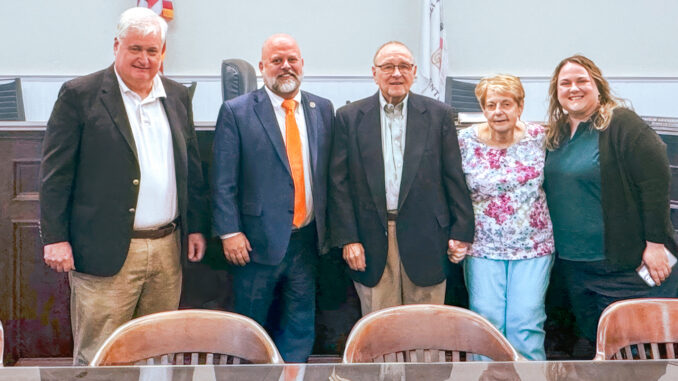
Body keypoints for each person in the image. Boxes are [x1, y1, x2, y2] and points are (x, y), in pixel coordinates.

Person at [39, 7, 209, 365]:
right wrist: (55, 237)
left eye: (152, 51)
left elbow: (190, 169)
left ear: (163, 54)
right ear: (116, 46)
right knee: (99, 355)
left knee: (158, 351)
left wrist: (197, 229)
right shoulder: (79, 95)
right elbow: (56, 174)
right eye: (135, 49)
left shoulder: (177, 96)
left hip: (166, 248)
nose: (144, 59)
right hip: (103, 252)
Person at [543, 55, 678, 354]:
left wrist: (655, 243)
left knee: (637, 349)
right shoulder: (556, 133)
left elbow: (655, 182)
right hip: (574, 268)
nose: (573, 88)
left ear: (598, 86)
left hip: (623, 266)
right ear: (556, 92)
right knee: (597, 346)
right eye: (565, 83)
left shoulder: (621, 124)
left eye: (582, 81)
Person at [212, 34, 334, 362]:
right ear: (262, 66)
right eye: (277, 61)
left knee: (299, 326)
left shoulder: (321, 108)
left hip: (306, 241)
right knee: (251, 329)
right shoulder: (237, 112)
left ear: (302, 65)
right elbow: (223, 180)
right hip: (254, 243)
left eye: (292, 59)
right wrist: (229, 232)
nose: (285, 67)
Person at [329, 41, 474, 316]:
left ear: (414, 71)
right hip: (371, 242)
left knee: (425, 331)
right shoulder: (349, 118)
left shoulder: (438, 114)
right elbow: (339, 185)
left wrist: (461, 232)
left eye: (404, 66)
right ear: (374, 73)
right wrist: (349, 239)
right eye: (388, 67)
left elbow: (453, 176)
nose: (396, 73)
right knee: (380, 332)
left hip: (428, 239)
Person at [455, 74, 555, 360]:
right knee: (486, 323)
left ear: (520, 106)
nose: (498, 111)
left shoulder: (540, 138)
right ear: (483, 109)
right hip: (483, 246)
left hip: (533, 246)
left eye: (506, 104)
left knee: (525, 322)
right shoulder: (463, 141)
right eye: (491, 105)